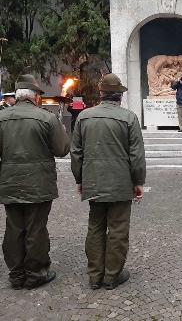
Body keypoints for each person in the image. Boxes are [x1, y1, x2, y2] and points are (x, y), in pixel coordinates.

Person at [71, 73, 146, 290]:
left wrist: (80, 179)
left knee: (95, 227)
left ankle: (95, 275)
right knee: (118, 229)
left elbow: (76, 153)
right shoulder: (129, 118)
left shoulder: (84, 117)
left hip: (93, 182)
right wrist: (138, 182)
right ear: (119, 97)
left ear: (101, 94)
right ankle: (112, 275)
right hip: (121, 184)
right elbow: (136, 155)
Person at [0, 74, 70, 290]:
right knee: (36, 229)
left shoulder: (1, 118)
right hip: (39, 183)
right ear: (35, 97)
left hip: (9, 182)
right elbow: (62, 149)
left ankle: (16, 274)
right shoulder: (47, 119)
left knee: (14, 228)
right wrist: (63, 130)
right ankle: (35, 273)